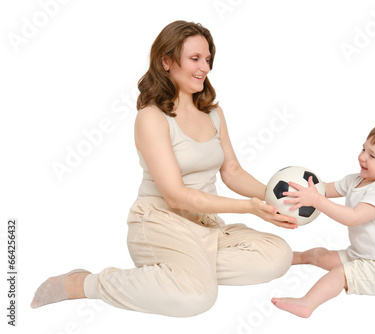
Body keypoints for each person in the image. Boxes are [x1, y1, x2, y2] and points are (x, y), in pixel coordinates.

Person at [31, 20, 297, 317]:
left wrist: (278, 198)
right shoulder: (151, 117)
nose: (205, 68)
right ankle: (86, 283)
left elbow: (232, 171)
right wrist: (249, 207)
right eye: (195, 59)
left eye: (207, 59)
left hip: (206, 225)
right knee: (198, 297)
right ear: (166, 61)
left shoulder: (213, 112)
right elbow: (175, 196)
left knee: (279, 256)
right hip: (160, 222)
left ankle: (183, 270)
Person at [271, 121, 375, 318]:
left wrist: (316, 200)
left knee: (340, 274)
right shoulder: (356, 180)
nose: (362, 157)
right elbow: (325, 189)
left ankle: (307, 304)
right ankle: (295, 258)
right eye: (363, 149)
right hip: (362, 254)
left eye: (372, 155)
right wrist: (301, 190)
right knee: (322, 255)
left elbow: (353, 218)